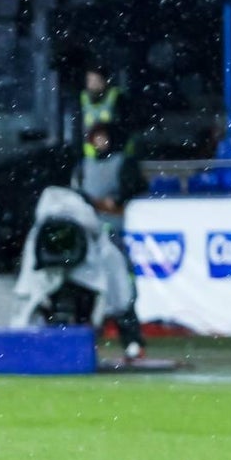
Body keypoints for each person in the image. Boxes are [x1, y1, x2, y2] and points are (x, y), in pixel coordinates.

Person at [74, 123, 147, 360]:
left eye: (103, 138)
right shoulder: (83, 166)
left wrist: (114, 203)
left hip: (111, 234)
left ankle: (132, 339)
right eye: (96, 138)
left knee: (120, 286)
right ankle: (83, 339)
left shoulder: (122, 164)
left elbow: (134, 188)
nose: (99, 143)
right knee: (83, 287)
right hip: (88, 235)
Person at [79, 63, 132, 152]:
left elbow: (126, 126)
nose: (92, 84)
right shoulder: (83, 98)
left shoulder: (116, 97)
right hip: (90, 158)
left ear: (105, 80)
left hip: (117, 154)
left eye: (96, 80)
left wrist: (108, 135)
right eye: (89, 80)